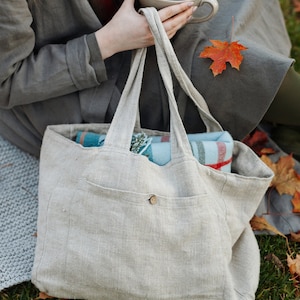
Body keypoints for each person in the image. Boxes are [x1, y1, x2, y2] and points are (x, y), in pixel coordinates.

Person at [0, 0, 298, 157]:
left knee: (234, 17)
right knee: (230, 66)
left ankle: (282, 121)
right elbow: (7, 81)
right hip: (76, 84)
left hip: (134, 23)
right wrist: (111, 41)